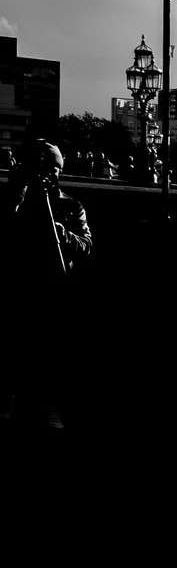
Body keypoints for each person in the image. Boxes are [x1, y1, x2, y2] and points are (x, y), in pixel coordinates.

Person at [3, 142, 94, 434]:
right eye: (45, 169)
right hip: (20, 285)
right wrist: (18, 192)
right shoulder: (17, 196)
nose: (50, 176)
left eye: (55, 170)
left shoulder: (70, 205)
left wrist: (63, 234)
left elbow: (86, 246)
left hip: (55, 286)